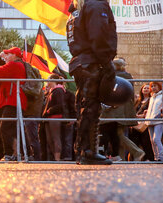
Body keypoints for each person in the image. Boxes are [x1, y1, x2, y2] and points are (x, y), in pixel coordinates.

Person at [66, 0, 118, 165]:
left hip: (80, 62)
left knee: (85, 108)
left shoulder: (76, 10)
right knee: (91, 108)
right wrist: (107, 61)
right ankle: (88, 151)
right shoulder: (96, 5)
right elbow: (99, 34)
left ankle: (84, 151)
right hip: (91, 62)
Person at [42, 74, 65, 161]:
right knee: (50, 139)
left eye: (48, 80)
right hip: (50, 117)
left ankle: (57, 158)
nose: (47, 82)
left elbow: (59, 105)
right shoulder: (52, 91)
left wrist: (48, 111)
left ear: (52, 80)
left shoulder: (58, 90)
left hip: (55, 117)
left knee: (55, 138)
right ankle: (55, 157)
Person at [144, 82, 163, 161]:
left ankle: (161, 156)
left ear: (159, 86)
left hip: (158, 120)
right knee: (152, 141)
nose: (153, 88)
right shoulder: (152, 97)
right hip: (150, 120)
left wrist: (162, 113)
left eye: (155, 86)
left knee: (156, 139)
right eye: (152, 86)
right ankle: (156, 157)